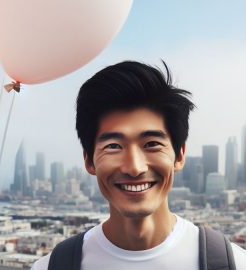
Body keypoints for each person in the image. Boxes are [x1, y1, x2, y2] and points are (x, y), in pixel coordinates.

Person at [32, 61, 246, 270]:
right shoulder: (52, 266)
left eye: (152, 144)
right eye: (114, 146)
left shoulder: (234, 263)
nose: (134, 168)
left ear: (179, 156)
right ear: (89, 160)